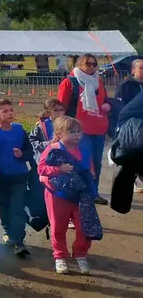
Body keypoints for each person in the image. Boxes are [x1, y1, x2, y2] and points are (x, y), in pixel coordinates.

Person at [39, 116, 98, 274]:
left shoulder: (83, 149)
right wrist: (59, 169)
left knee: (84, 227)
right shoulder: (53, 149)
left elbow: (88, 165)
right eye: (71, 131)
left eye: (78, 131)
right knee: (58, 227)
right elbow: (41, 169)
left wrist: (91, 173)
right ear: (59, 133)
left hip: (81, 195)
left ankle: (80, 254)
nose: (76, 134)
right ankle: (60, 256)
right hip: (58, 194)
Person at [57, 53, 111, 203]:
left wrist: (108, 105)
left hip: (98, 128)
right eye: (88, 64)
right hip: (78, 130)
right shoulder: (69, 82)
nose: (92, 67)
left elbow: (105, 99)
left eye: (95, 64)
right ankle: (81, 193)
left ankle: (94, 193)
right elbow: (61, 106)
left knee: (97, 162)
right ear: (79, 64)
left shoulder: (98, 81)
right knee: (83, 162)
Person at [0, 98, 35, 258]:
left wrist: (23, 155)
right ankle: (7, 231)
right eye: (5, 111)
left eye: (11, 110)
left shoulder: (20, 130)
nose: (10, 113)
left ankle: (19, 242)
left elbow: (30, 152)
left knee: (17, 208)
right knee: (5, 207)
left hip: (20, 176)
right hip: (1, 177)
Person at [113, 58, 143, 134]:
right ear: (133, 70)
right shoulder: (125, 85)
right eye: (141, 68)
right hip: (130, 125)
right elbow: (118, 106)